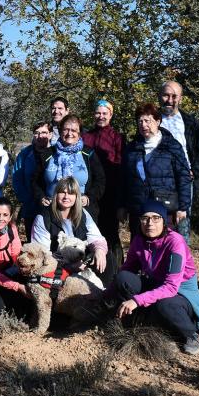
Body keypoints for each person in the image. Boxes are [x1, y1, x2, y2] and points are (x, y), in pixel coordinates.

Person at [104, 201, 199, 355]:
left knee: (165, 306)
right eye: (145, 218)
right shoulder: (139, 240)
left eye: (156, 218)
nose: (149, 223)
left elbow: (171, 287)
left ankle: (189, 333)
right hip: (155, 286)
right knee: (123, 278)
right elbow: (126, 270)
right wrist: (105, 293)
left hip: (180, 293)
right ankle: (134, 322)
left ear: (164, 221)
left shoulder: (175, 242)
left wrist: (137, 300)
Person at [119, 103, 192, 241]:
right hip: (139, 211)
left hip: (165, 210)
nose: (143, 124)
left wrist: (183, 207)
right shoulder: (131, 149)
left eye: (147, 120)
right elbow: (124, 180)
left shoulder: (172, 146)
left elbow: (183, 176)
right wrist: (122, 205)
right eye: (140, 121)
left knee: (165, 248)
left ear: (158, 121)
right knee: (140, 252)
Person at [31, 177, 112, 284]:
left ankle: (106, 294)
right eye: (62, 192)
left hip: (82, 260)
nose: (66, 197)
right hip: (56, 266)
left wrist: (99, 251)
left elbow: (96, 237)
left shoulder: (83, 213)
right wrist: (68, 266)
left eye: (71, 193)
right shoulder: (43, 218)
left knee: (106, 257)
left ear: (76, 196)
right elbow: (42, 254)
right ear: (56, 195)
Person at [159, 81, 199, 241]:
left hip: (184, 180)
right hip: (158, 181)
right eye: (166, 95)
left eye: (174, 96)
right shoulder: (151, 120)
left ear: (180, 98)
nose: (170, 100)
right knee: (159, 225)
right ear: (160, 96)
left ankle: (182, 264)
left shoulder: (189, 122)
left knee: (182, 224)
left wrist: (195, 170)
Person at [82, 100, 125, 270]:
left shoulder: (117, 138)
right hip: (90, 194)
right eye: (98, 113)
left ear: (111, 115)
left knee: (111, 234)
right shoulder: (86, 136)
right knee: (91, 233)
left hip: (110, 194)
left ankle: (116, 270)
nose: (101, 116)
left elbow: (121, 168)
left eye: (104, 113)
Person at [42, 115, 105, 221]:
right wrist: (41, 197)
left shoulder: (88, 153)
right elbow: (34, 180)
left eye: (74, 130)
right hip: (52, 211)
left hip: (82, 211)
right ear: (60, 131)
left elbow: (100, 179)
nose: (69, 133)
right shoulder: (48, 153)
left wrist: (89, 197)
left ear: (79, 133)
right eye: (66, 129)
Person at [12, 121, 54, 225]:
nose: (40, 136)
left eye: (44, 132)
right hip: (31, 206)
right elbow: (17, 180)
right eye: (36, 133)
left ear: (50, 134)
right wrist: (26, 199)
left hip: (53, 206)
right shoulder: (24, 154)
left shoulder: (56, 153)